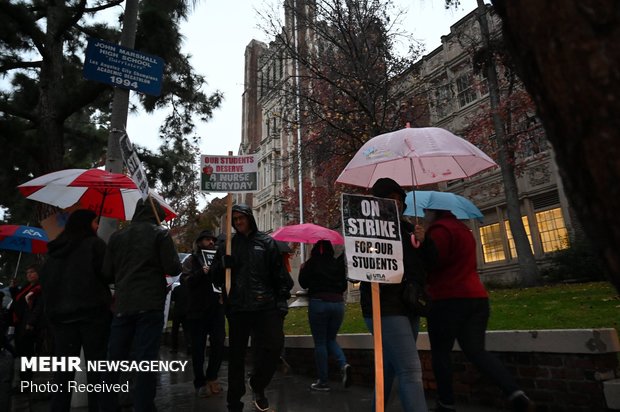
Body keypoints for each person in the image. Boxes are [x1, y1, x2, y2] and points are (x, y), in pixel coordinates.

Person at [424, 209, 535, 412]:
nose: (424, 215)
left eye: (425, 211)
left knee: (441, 354)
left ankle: (446, 403)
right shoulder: (464, 230)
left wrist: (422, 245)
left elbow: (433, 263)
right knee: (476, 351)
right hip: (476, 297)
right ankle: (514, 392)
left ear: (433, 211)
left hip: (448, 298)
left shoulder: (438, 231)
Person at [359, 177, 438, 412]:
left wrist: (424, 242)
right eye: (389, 200)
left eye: (398, 199)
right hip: (383, 306)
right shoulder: (367, 230)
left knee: (393, 367)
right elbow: (354, 268)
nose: (395, 204)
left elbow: (431, 264)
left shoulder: (408, 228)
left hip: (409, 305)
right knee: (411, 369)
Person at [210, 204, 294, 412]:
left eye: (241, 218)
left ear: (249, 218)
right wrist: (222, 265)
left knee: (274, 346)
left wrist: (281, 301)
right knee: (236, 356)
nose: (238, 222)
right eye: (235, 219)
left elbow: (281, 276)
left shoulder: (266, 243)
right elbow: (215, 279)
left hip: (265, 305)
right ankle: (234, 401)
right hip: (238, 307)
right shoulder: (228, 245)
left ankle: (258, 384)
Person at [102, 198, 182, 412]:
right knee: (145, 360)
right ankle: (143, 405)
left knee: (114, 360)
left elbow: (107, 273)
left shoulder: (117, 237)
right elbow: (173, 268)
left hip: (123, 304)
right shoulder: (160, 234)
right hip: (150, 303)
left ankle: (107, 405)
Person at [40, 209, 112, 412]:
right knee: (96, 369)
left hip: (61, 320)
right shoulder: (94, 245)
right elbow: (108, 274)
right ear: (86, 224)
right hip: (93, 316)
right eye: (95, 222)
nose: (97, 226)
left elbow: (46, 283)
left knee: (63, 372)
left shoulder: (54, 251)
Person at [298, 239, 351, 391]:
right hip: (338, 304)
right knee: (330, 339)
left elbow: (303, 283)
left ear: (315, 249)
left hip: (319, 303)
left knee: (320, 342)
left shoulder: (311, 263)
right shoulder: (336, 263)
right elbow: (343, 285)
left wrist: (303, 269)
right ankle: (343, 364)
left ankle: (323, 381)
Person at [182, 229, 226, 398]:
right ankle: (199, 381)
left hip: (216, 308)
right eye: (207, 240)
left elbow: (224, 280)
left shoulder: (218, 260)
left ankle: (212, 377)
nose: (211, 243)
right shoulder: (191, 260)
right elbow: (186, 282)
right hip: (197, 310)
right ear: (200, 242)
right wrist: (201, 272)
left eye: (212, 240)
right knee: (198, 349)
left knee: (219, 343)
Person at [9, 263, 44, 385]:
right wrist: (13, 288)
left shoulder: (39, 288)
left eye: (32, 272)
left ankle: (26, 381)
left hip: (28, 326)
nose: (29, 275)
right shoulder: (27, 286)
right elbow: (18, 301)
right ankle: (23, 379)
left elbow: (39, 308)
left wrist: (31, 322)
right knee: (22, 353)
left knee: (27, 354)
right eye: (27, 272)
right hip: (20, 324)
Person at [168, 276, 190, 355]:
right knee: (187, 331)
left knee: (175, 331)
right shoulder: (190, 289)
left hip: (177, 312)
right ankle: (189, 346)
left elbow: (173, 299)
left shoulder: (177, 289)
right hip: (186, 312)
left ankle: (174, 348)